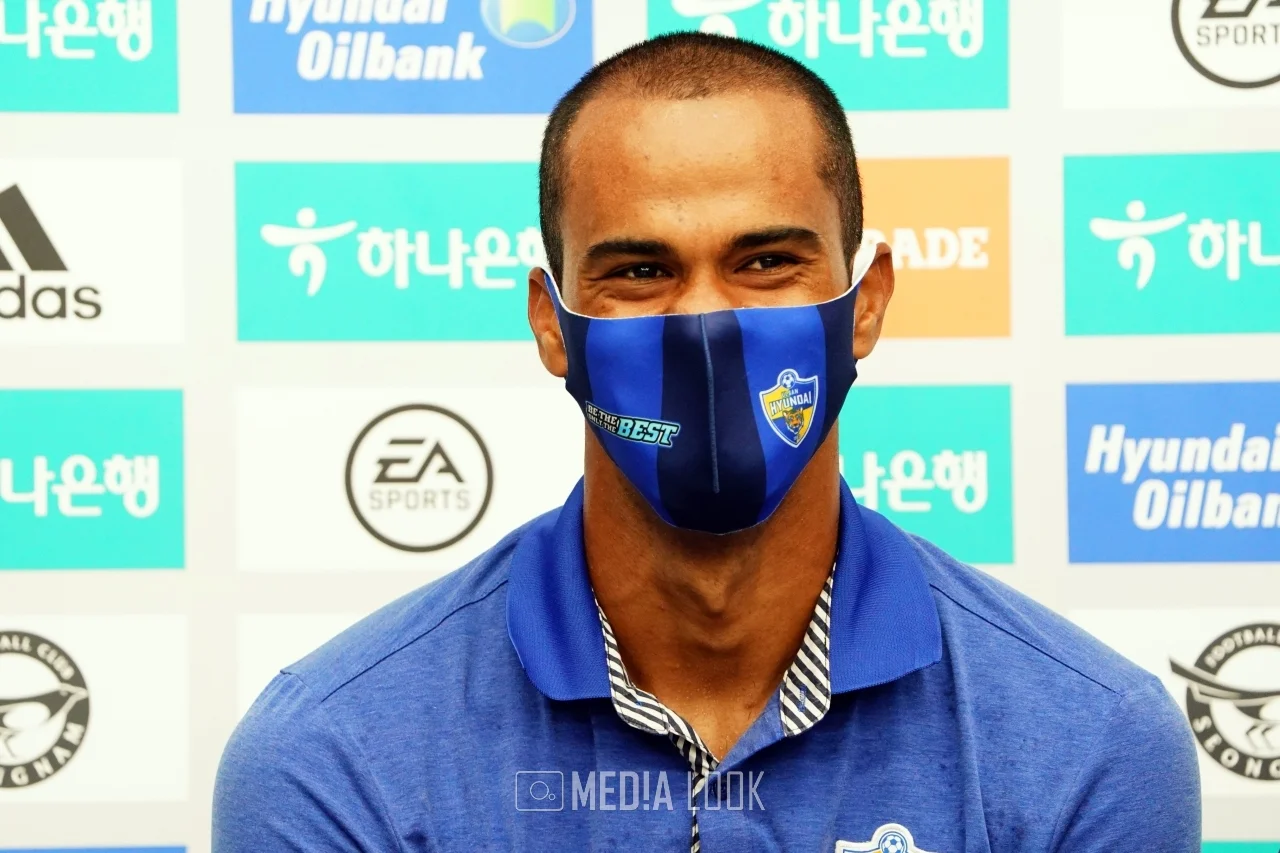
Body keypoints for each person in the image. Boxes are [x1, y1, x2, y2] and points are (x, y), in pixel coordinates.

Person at [213, 33, 1201, 852]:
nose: (703, 321)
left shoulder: (1087, 740)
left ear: (865, 304)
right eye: (640, 270)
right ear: (551, 323)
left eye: (765, 261)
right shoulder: (335, 754)